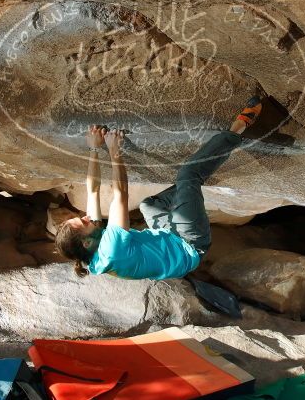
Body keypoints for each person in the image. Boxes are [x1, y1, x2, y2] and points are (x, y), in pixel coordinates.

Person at [55, 96, 263, 279]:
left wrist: (93, 148)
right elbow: (121, 196)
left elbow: (92, 190)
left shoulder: (93, 241)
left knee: (148, 205)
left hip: (167, 236)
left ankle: (191, 188)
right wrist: (113, 150)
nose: (86, 217)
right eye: (82, 222)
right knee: (188, 175)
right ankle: (240, 126)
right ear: (86, 243)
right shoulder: (111, 250)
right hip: (189, 245)